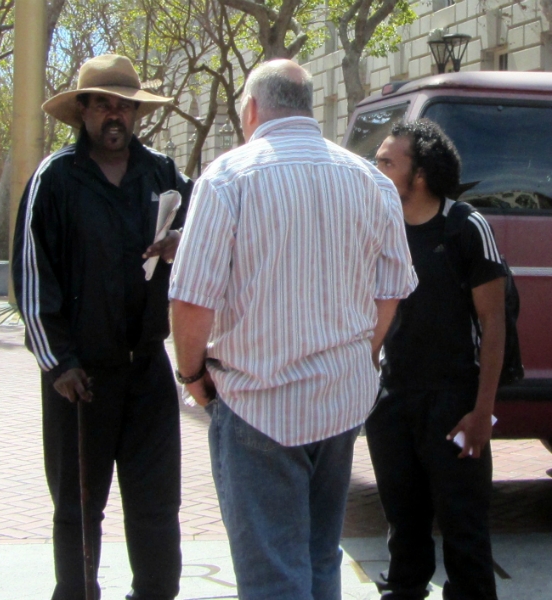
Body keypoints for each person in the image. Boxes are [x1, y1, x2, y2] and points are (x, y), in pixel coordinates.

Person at [168, 59, 417, 600]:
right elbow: (392, 289)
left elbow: (190, 302)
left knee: (272, 574)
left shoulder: (229, 177)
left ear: (253, 109)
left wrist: (191, 373)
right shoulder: (370, 180)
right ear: (306, 107)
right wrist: (358, 353)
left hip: (258, 400)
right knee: (318, 557)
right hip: (339, 404)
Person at [12, 54, 193, 600]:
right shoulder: (56, 179)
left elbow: (209, 229)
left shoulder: (162, 173)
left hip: (148, 373)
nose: (115, 115)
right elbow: (30, 276)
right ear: (82, 112)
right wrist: (59, 364)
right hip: (80, 379)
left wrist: (181, 240)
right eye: (103, 105)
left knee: (158, 505)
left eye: (124, 106)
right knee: (78, 508)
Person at [366, 119, 506, 600]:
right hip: (393, 401)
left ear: (420, 174)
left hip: (453, 404)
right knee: (404, 526)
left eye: (386, 161)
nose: (375, 168)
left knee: (464, 530)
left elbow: (494, 326)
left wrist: (482, 411)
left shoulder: (465, 226)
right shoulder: (378, 226)